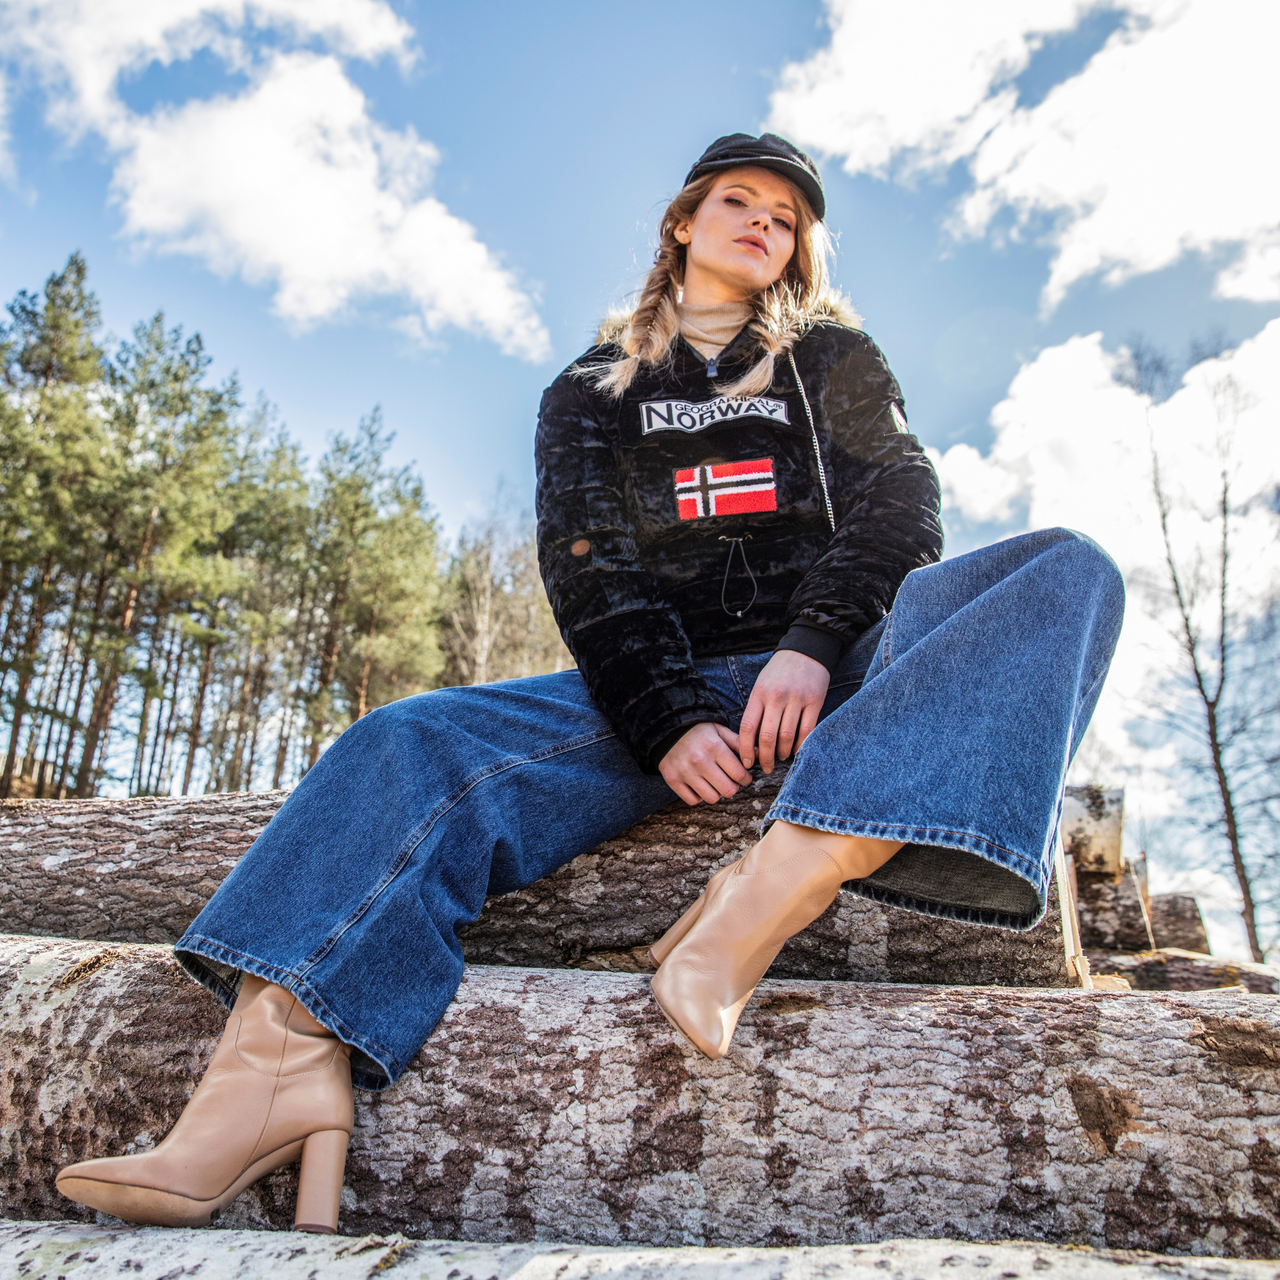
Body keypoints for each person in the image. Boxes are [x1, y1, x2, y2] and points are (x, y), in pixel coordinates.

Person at [54, 133, 1124, 1234]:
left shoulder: (833, 358)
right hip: (662, 681)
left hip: (840, 673)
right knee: (404, 739)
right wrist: (665, 715)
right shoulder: (587, 387)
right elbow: (587, 563)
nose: (763, 221)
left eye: (786, 215)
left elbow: (902, 506)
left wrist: (811, 643)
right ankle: (272, 1077)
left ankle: (768, 891)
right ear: (683, 221)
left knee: (1064, 572)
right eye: (739, 200)